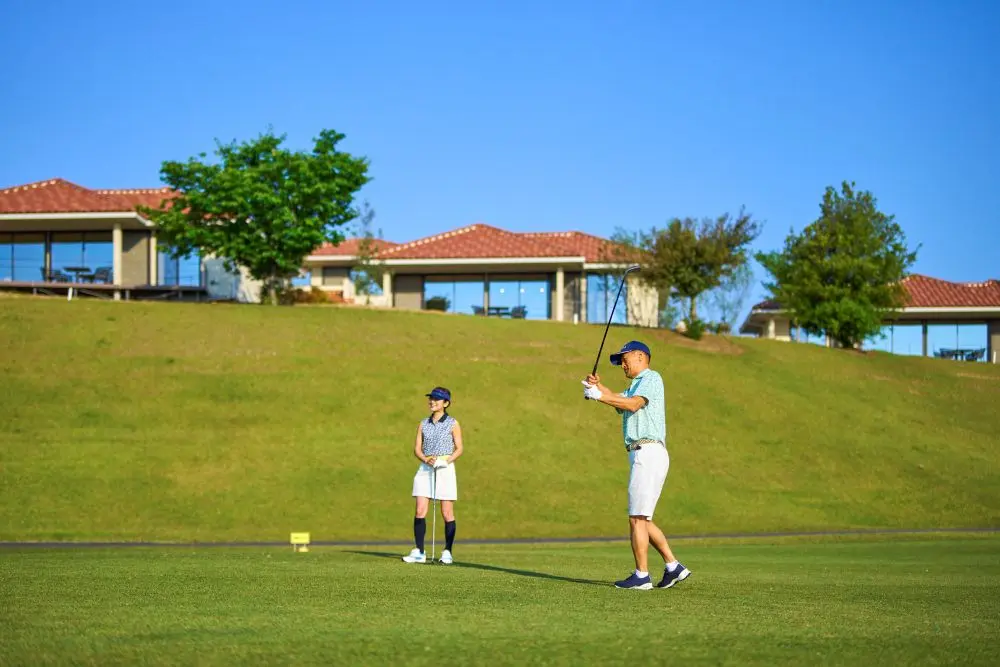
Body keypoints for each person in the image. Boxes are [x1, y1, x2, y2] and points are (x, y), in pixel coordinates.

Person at [582, 340, 691, 590]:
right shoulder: (635, 386)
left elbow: (632, 404)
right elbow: (617, 399)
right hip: (646, 454)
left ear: (640, 356)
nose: (622, 364)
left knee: (637, 518)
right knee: (644, 519)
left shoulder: (651, 378)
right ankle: (674, 567)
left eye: (625, 359)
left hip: (647, 452)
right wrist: (597, 388)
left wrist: (598, 395)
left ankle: (641, 576)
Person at [402, 386, 464, 564]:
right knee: (420, 510)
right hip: (426, 467)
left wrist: (446, 461)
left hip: (445, 467)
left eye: (436, 399)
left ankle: (447, 551)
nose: (432, 401)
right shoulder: (423, 423)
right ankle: (419, 551)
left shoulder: (453, 423)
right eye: (431, 398)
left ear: (446, 403)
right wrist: (425, 459)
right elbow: (417, 449)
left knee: (446, 512)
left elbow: (459, 448)